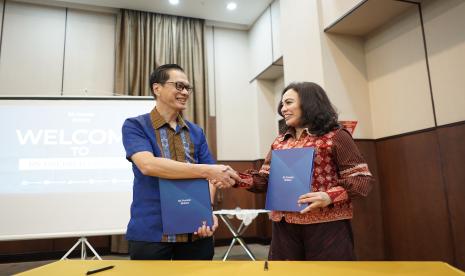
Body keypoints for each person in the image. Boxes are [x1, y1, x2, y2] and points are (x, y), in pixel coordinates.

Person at [237, 82, 374, 261]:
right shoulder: (280, 141)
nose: (282, 109)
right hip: (284, 228)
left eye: (288, 103)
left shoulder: (336, 135)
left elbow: (362, 179)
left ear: (309, 103)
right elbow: (265, 180)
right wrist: (236, 179)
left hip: (326, 227)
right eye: (282, 104)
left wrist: (329, 196)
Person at [122, 64, 240, 260]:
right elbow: (148, 165)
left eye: (187, 88)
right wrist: (207, 171)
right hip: (152, 231)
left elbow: (211, 178)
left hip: (195, 229)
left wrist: (206, 211)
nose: (185, 92)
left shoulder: (196, 131)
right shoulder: (135, 125)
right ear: (157, 88)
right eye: (178, 86)